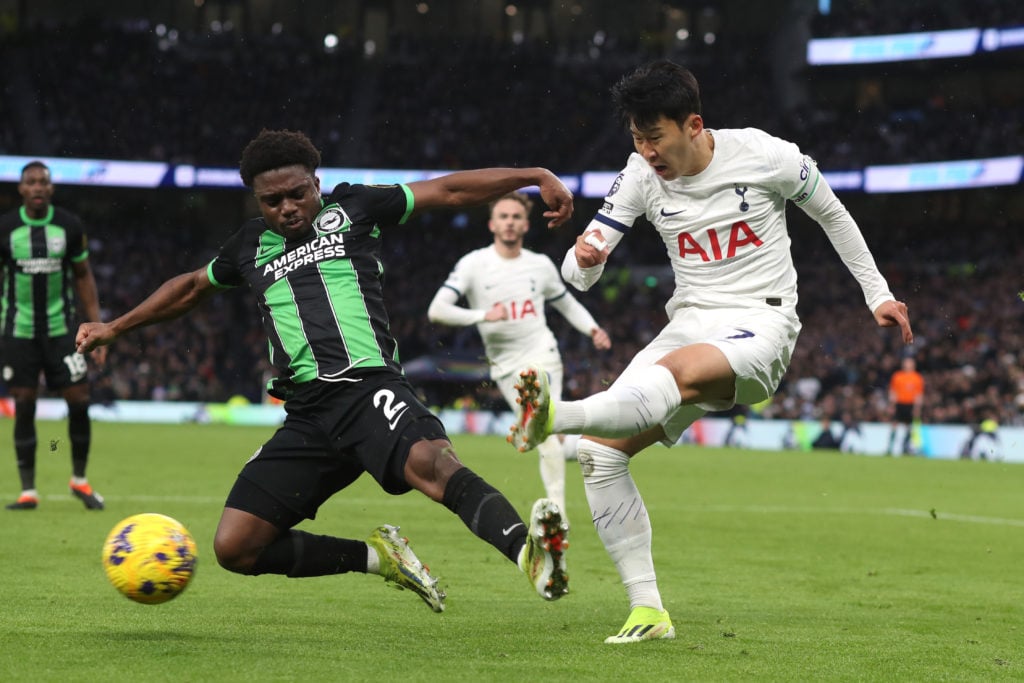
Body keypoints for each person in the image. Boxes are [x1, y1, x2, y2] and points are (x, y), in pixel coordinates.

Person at [76, 129, 572, 612]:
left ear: (316, 181)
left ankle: (530, 555)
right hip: (309, 415)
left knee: (433, 465)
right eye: (272, 201)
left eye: (296, 193)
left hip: (368, 387)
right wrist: (114, 327)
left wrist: (533, 175)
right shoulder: (247, 247)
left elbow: (447, 189)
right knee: (236, 547)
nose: (287, 207)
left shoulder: (355, 207)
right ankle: (379, 558)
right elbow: (188, 288)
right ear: (257, 201)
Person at [508, 60, 914, 643]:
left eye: (656, 137)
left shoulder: (765, 154)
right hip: (690, 321)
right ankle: (648, 611)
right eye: (636, 138)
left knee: (677, 372)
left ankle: (555, 417)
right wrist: (587, 256)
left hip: (761, 323)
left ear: (693, 124)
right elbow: (577, 273)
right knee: (600, 456)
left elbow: (831, 211)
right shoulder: (640, 175)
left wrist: (878, 293)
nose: (646, 151)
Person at [427, 191, 611, 518]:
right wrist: (482, 316)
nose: (510, 223)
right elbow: (437, 310)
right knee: (548, 437)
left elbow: (565, 303)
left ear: (525, 225)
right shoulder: (473, 264)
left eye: (515, 217)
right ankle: (589, 445)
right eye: (503, 217)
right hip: (504, 366)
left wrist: (592, 329)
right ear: (492, 224)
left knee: (546, 428)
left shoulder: (539, 265)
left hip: (543, 353)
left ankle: (558, 512)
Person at [1, 161, 107, 511]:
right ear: (21, 188)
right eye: (30, 182)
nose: (37, 188)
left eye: (43, 182)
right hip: (19, 331)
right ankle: (28, 491)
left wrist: (97, 326)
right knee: (25, 404)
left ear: (51, 188)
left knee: (79, 401)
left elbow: (82, 275)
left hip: (63, 331)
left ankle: (80, 480)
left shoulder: (68, 225)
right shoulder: (6, 228)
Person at [886, 356, 924, 455]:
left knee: (909, 427)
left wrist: (917, 408)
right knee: (894, 425)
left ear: (913, 365)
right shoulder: (897, 376)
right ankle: (890, 448)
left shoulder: (917, 378)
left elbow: (918, 395)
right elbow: (893, 392)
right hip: (899, 404)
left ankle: (905, 448)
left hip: (910, 404)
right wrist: (892, 405)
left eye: (909, 363)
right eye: (906, 362)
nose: (907, 364)